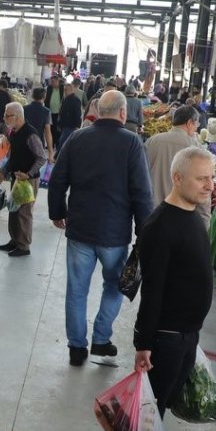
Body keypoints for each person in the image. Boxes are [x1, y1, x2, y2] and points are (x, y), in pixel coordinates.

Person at [124, 146, 216, 431]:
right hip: (165, 336)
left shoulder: (192, 214)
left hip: (185, 333)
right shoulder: (160, 226)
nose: (209, 185)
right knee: (151, 407)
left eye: (211, 177)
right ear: (178, 179)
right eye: (201, 178)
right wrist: (143, 343)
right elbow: (153, 289)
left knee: (161, 405)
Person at [49, 90, 154, 366]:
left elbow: (58, 179)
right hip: (114, 234)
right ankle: (101, 339)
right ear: (123, 113)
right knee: (115, 285)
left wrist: (57, 212)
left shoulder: (77, 138)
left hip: (80, 230)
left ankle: (76, 348)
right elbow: (142, 192)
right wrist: (145, 232)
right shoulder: (132, 143)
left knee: (76, 290)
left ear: (96, 111)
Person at [0, 102, 47, 257]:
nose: (4, 118)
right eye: (5, 115)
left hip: (28, 181)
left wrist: (29, 174)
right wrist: (3, 173)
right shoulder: (13, 132)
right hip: (17, 178)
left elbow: (41, 158)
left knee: (24, 212)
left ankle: (24, 246)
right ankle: (14, 240)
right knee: (13, 209)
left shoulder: (31, 134)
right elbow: (13, 157)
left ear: (17, 117)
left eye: (7, 115)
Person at [146, 105, 201, 207]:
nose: (196, 128)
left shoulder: (153, 140)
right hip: (179, 210)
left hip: (151, 207)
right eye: (196, 124)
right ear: (189, 123)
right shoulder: (195, 148)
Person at [24, 87, 56, 163]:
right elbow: (47, 133)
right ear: (44, 97)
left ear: (32, 96)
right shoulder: (46, 111)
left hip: (24, 142)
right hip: (39, 143)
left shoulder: (24, 109)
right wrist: (50, 153)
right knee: (36, 169)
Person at [57, 81, 84, 152]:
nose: (64, 92)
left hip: (71, 125)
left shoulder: (75, 100)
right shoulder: (66, 99)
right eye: (64, 90)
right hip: (65, 125)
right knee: (65, 143)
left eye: (66, 90)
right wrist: (60, 123)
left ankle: (57, 157)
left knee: (62, 142)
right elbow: (62, 112)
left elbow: (78, 113)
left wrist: (77, 125)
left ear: (71, 90)